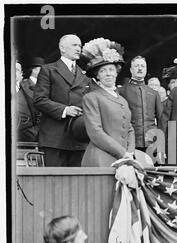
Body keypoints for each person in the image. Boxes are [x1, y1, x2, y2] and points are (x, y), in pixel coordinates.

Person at [33, 34, 92, 166]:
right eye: (74, 45)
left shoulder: (85, 75)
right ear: (62, 48)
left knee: (76, 185)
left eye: (80, 46)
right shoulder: (48, 70)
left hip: (78, 139)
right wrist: (65, 110)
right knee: (54, 184)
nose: (79, 48)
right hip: (54, 139)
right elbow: (39, 100)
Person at [80, 38, 135, 167]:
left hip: (125, 160)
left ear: (117, 72)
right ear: (97, 76)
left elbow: (130, 129)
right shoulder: (91, 98)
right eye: (102, 71)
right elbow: (96, 132)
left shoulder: (122, 100)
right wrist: (122, 153)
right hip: (101, 159)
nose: (108, 74)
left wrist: (130, 152)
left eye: (110, 69)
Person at [119, 56, 162, 154]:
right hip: (129, 142)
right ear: (131, 70)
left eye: (142, 66)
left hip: (151, 142)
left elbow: (161, 120)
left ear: (146, 69)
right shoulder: (122, 91)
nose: (139, 68)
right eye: (136, 66)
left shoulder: (154, 93)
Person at [17, 57, 45, 142]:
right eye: (42, 69)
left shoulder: (46, 86)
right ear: (34, 70)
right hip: (30, 132)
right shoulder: (24, 85)